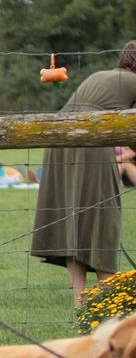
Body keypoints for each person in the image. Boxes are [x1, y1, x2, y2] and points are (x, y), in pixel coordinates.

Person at [29, 43, 136, 305]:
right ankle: (109, 299)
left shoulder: (102, 75)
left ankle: (81, 301)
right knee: (105, 217)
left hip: (59, 139)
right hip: (89, 139)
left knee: (74, 220)